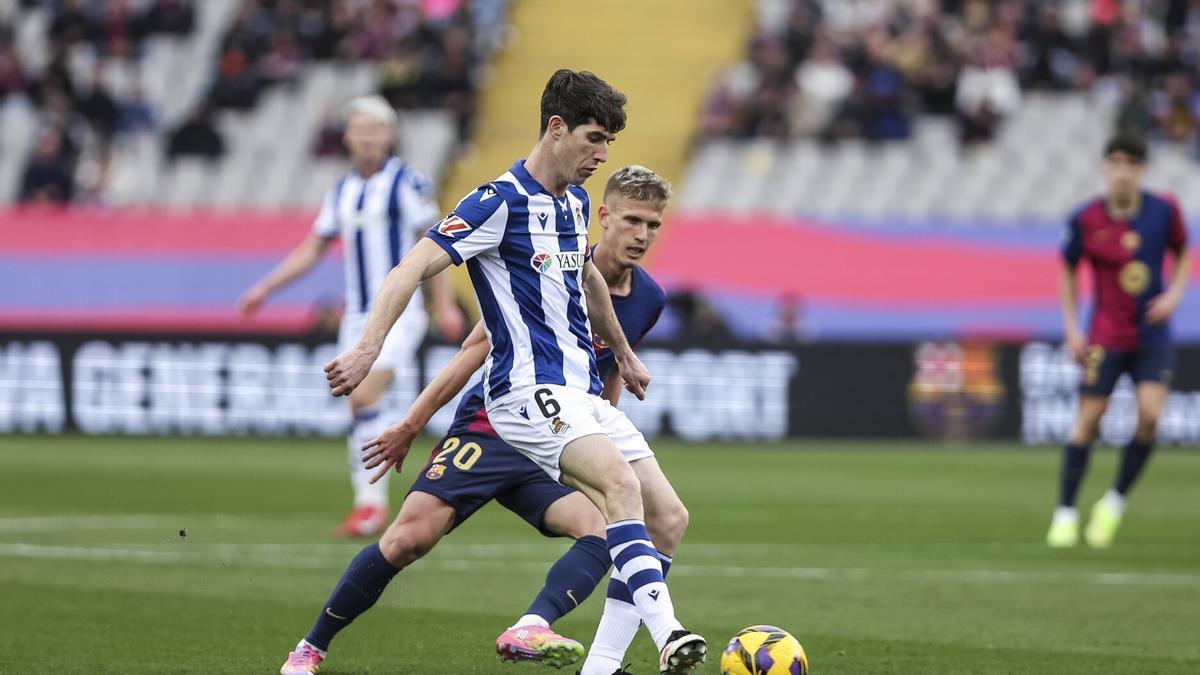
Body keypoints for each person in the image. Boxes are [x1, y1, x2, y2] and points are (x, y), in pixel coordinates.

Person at [321, 69, 706, 674]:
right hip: (522, 398)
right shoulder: (495, 203)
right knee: (613, 496)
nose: (602, 155)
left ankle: (594, 663)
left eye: (608, 143)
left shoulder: (575, 204)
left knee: (666, 519)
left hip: (576, 398)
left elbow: (585, 278)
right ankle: (669, 634)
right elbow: (409, 268)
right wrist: (370, 348)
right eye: (594, 139)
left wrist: (624, 352)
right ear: (556, 128)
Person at [238, 95, 464, 537]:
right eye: (359, 129)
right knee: (358, 404)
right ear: (346, 136)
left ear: (389, 136)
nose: (366, 137)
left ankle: (371, 506)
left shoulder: (407, 181)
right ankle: (370, 499)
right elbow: (314, 246)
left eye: (375, 129)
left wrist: (443, 303)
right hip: (355, 314)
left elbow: (432, 241)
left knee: (363, 397)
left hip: (401, 311)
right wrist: (265, 288)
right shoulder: (342, 189)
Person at [1046, 132, 1190, 549]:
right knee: (1089, 419)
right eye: (1116, 164)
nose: (1123, 173)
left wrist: (1175, 295)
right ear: (1105, 167)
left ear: (1142, 169)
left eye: (1131, 164)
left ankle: (1114, 502)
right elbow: (1068, 270)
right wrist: (1073, 327)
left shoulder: (1164, 211)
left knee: (1149, 417)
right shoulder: (1086, 219)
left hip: (1152, 333)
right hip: (1105, 335)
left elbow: (1182, 251)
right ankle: (1066, 513)